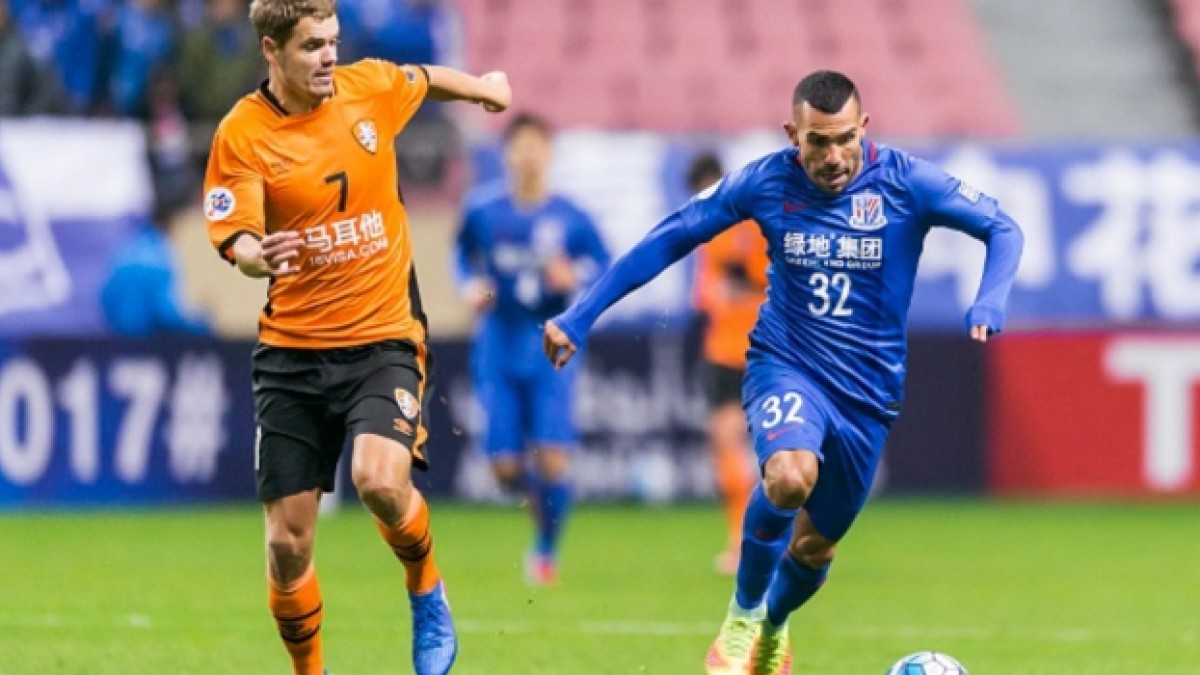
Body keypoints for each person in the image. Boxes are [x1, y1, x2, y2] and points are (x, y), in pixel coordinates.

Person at [542, 70, 1023, 675]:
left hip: (868, 395)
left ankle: (773, 626)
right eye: (818, 141)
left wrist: (990, 301)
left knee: (815, 546)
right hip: (787, 363)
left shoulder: (907, 182)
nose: (833, 156)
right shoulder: (766, 181)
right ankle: (742, 616)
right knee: (790, 476)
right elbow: (674, 235)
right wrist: (582, 314)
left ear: (863, 127)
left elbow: (1002, 227)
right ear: (792, 134)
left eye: (844, 138)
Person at [201, 1, 510, 673]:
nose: (328, 57)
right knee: (287, 546)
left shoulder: (366, 87)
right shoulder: (243, 132)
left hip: (382, 337)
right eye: (312, 46)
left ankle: (426, 586)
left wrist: (484, 88)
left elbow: (425, 77)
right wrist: (254, 254)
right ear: (271, 50)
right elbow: (236, 232)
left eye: (333, 41)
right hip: (291, 352)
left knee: (378, 479)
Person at [454, 112, 609, 586]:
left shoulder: (570, 216)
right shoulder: (483, 211)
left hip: (550, 349)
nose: (527, 156)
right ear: (506, 154)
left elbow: (603, 264)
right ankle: (542, 510)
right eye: (519, 146)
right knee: (504, 470)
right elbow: (460, 254)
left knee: (553, 458)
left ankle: (545, 548)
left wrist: (575, 276)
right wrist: (470, 284)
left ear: (548, 154)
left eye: (535, 146)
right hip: (498, 347)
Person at [688, 152, 769, 577]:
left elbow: (774, 284)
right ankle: (740, 539)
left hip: (767, 350)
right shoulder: (709, 237)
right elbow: (705, 296)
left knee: (780, 451)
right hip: (723, 352)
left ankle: (791, 541)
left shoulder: (758, 227)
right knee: (726, 442)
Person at [101, 198, 211, 337]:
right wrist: (203, 324)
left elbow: (106, 299)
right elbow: (167, 313)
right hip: (149, 343)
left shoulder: (126, 250)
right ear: (175, 220)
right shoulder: (160, 257)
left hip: (120, 339)